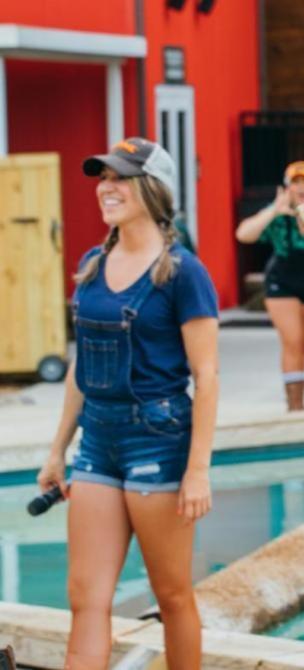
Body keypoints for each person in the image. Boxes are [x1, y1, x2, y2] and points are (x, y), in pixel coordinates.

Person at [36, 138, 219, 669]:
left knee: (172, 597)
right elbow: (81, 368)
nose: (106, 187)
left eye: (119, 177)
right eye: (102, 177)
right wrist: (56, 451)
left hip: (159, 442)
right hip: (97, 441)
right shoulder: (93, 264)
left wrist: (198, 470)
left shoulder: (183, 273)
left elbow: (207, 376)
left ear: (152, 189)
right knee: (85, 600)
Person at [235, 161, 304, 411]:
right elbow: (244, 234)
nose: (301, 187)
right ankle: (295, 404)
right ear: (287, 188)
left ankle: (298, 386)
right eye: (295, 182)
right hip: (282, 284)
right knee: (292, 341)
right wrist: (274, 211)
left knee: (303, 344)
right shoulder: (277, 213)